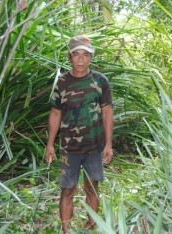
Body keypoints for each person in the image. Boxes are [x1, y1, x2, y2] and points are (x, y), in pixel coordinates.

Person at [45, 35, 114, 233]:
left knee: (92, 189)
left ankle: (91, 226)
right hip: (69, 148)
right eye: (76, 54)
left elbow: (107, 112)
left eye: (85, 54)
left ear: (91, 57)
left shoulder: (100, 81)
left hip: (95, 147)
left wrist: (108, 144)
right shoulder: (62, 82)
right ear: (70, 56)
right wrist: (50, 144)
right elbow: (56, 113)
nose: (81, 59)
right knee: (67, 190)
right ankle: (66, 230)